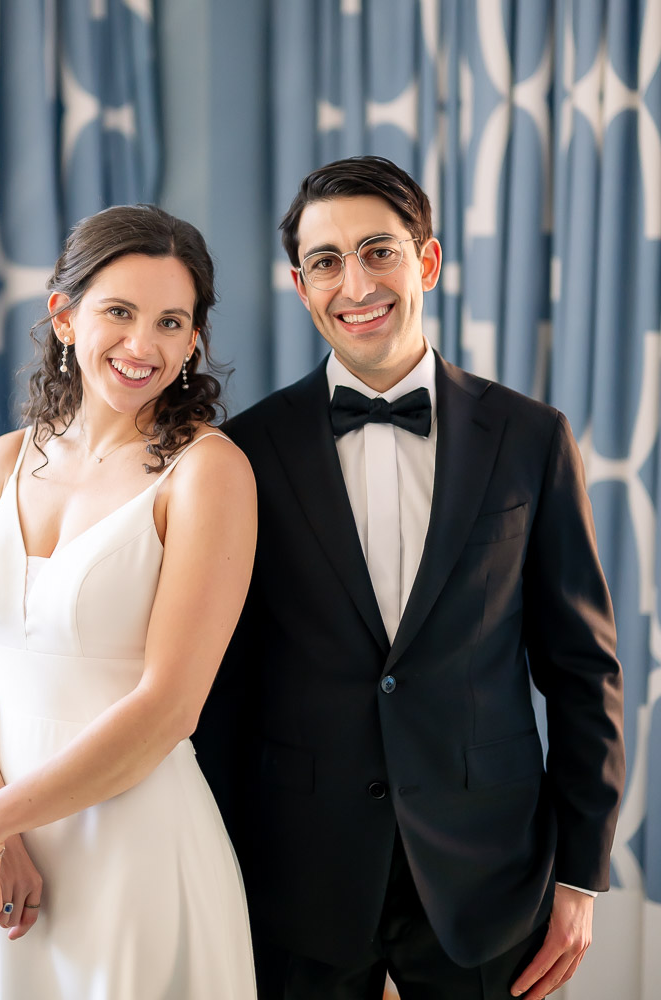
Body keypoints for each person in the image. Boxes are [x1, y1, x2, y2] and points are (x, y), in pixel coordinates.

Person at [193, 156, 625, 1000]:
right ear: (300, 283)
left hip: (491, 873)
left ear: (425, 261)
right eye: (326, 261)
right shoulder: (243, 452)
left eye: (378, 251)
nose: (354, 282)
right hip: (298, 876)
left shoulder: (532, 437)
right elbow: (219, 688)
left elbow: (583, 671)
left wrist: (582, 876)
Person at [0, 204, 258, 999]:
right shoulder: (5, 461)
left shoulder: (209, 473)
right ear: (64, 317)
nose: (143, 345)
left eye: (172, 322)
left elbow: (169, 706)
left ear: (194, 341)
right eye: (119, 312)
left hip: (133, 845)